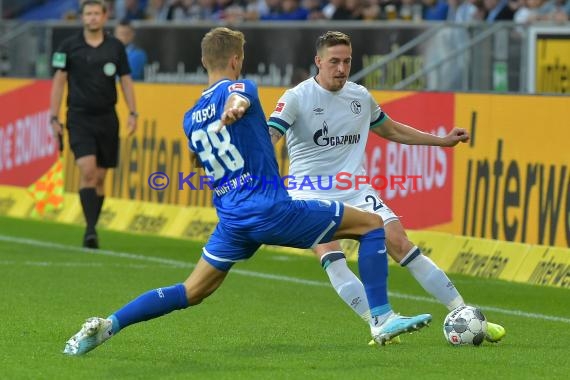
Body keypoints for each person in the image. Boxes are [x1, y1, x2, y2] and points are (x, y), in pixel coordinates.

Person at [62, 26, 431, 356]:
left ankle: (109, 325)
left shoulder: (190, 116)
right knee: (370, 226)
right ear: (236, 59)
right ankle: (381, 318)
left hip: (232, 220)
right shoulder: (242, 88)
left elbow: (196, 158)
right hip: (271, 209)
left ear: (204, 61)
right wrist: (233, 112)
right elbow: (237, 101)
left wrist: (223, 130)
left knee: (192, 291)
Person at [267, 31, 506, 345]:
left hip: (356, 189)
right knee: (332, 256)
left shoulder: (359, 97)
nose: (341, 68)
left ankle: (465, 314)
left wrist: (442, 141)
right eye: (334, 62)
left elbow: (391, 130)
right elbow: (268, 137)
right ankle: (378, 324)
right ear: (318, 62)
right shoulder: (297, 97)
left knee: (400, 242)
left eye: (347, 61)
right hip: (311, 192)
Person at [50, 0, 138, 249]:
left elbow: (126, 81)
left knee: (99, 177)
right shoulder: (68, 47)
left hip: (107, 118)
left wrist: (133, 112)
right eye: (87, 14)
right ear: (82, 17)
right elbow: (58, 82)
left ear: (104, 16)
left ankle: (92, 226)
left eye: (96, 13)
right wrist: (53, 117)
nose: (91, 18)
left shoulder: (115, 47)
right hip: (79, 117)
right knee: (87, 171)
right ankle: (90, 230)